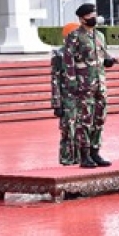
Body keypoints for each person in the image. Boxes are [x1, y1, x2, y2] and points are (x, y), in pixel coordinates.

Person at [63, 3, 117, 168]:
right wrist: (72, 82)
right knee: (85, 119)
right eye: (90, 16)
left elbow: (103, 57)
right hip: (83, 85)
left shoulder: (99, 36)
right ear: (81, 18)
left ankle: (95, 151)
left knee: (99, 119)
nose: (94, 18)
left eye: (95, 14)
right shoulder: (75, 36)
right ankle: (84, 154)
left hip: (100, 84)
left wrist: (109, 61)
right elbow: (68, 61)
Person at [51, 22, 81, 166]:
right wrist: (56, 103)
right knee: (68, 131)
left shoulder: (84, 51)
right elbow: (55, 79)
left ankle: (82, 157)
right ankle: (67, 159)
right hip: (67, 99)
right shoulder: (59, 54)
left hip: (83, 98)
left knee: (84, 129)